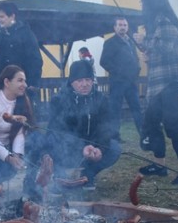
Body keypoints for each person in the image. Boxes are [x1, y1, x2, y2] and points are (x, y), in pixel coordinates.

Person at [26, 60, 120, 193]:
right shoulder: (59, 100)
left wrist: (100, 148)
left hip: (91, 150)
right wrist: (81, 147)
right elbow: (57, 131)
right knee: (46, 143)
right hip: (67, 150)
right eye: (80, 80)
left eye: (88, 79)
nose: (85, 84)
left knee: (115, 148)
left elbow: (106, 128)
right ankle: (60, 176)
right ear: (71, 82)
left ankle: (88, 174)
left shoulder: (101, 100)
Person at [134, 0, 178, 184]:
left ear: (151, 1)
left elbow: (165, 48)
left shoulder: (165, 21)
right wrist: (147, 50)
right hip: (161, 83)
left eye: (143, 0)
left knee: (172, 125)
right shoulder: (156, 24)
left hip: (174, 82)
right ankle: (159, 165)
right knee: (151, 122)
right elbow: (159, 53)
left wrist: (144, 41)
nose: (141, 4)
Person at [0, 65, 34, 190]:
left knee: (35, 145)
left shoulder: (22, 101)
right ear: (7, 82)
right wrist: (8, 157)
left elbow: (20, 132)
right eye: (20, 80)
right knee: (1, 168)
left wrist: (17, 155)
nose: (25, 84)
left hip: (9, 147)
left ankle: (31, 186)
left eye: (24, 81)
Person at [0, 1, 43, 98]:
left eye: (2, 17)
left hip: (21, 89)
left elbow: (35, 60)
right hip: (0, 88)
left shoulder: (26, 34)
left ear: (12, 16)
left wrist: (33, 83)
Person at [100, 16, 144, 140]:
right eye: (120, 25)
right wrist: (119, 72)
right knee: (115, 111)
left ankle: (143, 134)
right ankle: (114, 137)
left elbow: (135, 59)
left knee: (137, 109)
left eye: (124, 25)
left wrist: (137, 70)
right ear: (115, 27)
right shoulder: (110, 43)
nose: (122, 27)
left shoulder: (130, 42)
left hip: (131, 82)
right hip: (117, 82)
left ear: (127, 27)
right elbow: (104, 61)